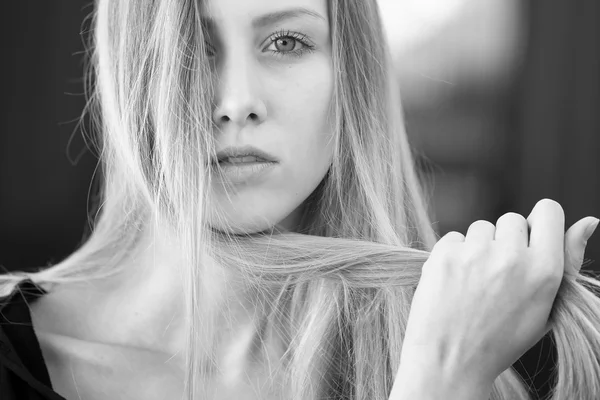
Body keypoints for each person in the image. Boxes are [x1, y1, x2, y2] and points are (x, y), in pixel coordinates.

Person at [1, 0, 599, 399]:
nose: (237, 101)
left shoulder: (489, 356)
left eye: (286, 41)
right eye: (191, 45)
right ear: (130, 76)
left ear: (352, 78)